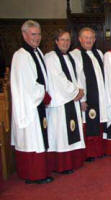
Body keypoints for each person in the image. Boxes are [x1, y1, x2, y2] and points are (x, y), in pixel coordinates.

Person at [10, 20, 53, 184]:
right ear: (24, 35)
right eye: (33, 34)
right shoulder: (21, 56)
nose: (37, 38)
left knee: (39, 139)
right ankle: (33, 175)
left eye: (39, 34)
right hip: (29, 106)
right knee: (32, 140)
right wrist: (44, 94)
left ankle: (40, 172)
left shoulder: (37, 52)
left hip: (38, 102)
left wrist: (46, 93)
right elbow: (28, 85)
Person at [44, 29, 86, 174]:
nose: (65, 43)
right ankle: (62, 165)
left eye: (68, 40)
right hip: (60, 103)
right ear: (56, 41)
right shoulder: (50, 58)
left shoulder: (70, 57)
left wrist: (80, 91)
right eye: (62, 40)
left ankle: (73, 162)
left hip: (72, 100)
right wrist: (75, 92)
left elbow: (78, 76)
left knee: (72, 130)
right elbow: (59, 79)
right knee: (61, 133)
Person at [70, 27, 107, 162]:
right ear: (79, 39)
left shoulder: (98, 53)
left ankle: (99, 150)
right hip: (87, 96)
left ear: (95, 39)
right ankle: (90, 153)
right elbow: (78, 78)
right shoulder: (75, 54)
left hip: (100, 95)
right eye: (86, 37)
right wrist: (82, 99)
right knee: (89, 122)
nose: (89, 40)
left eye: (91, 38)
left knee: (100, 121)